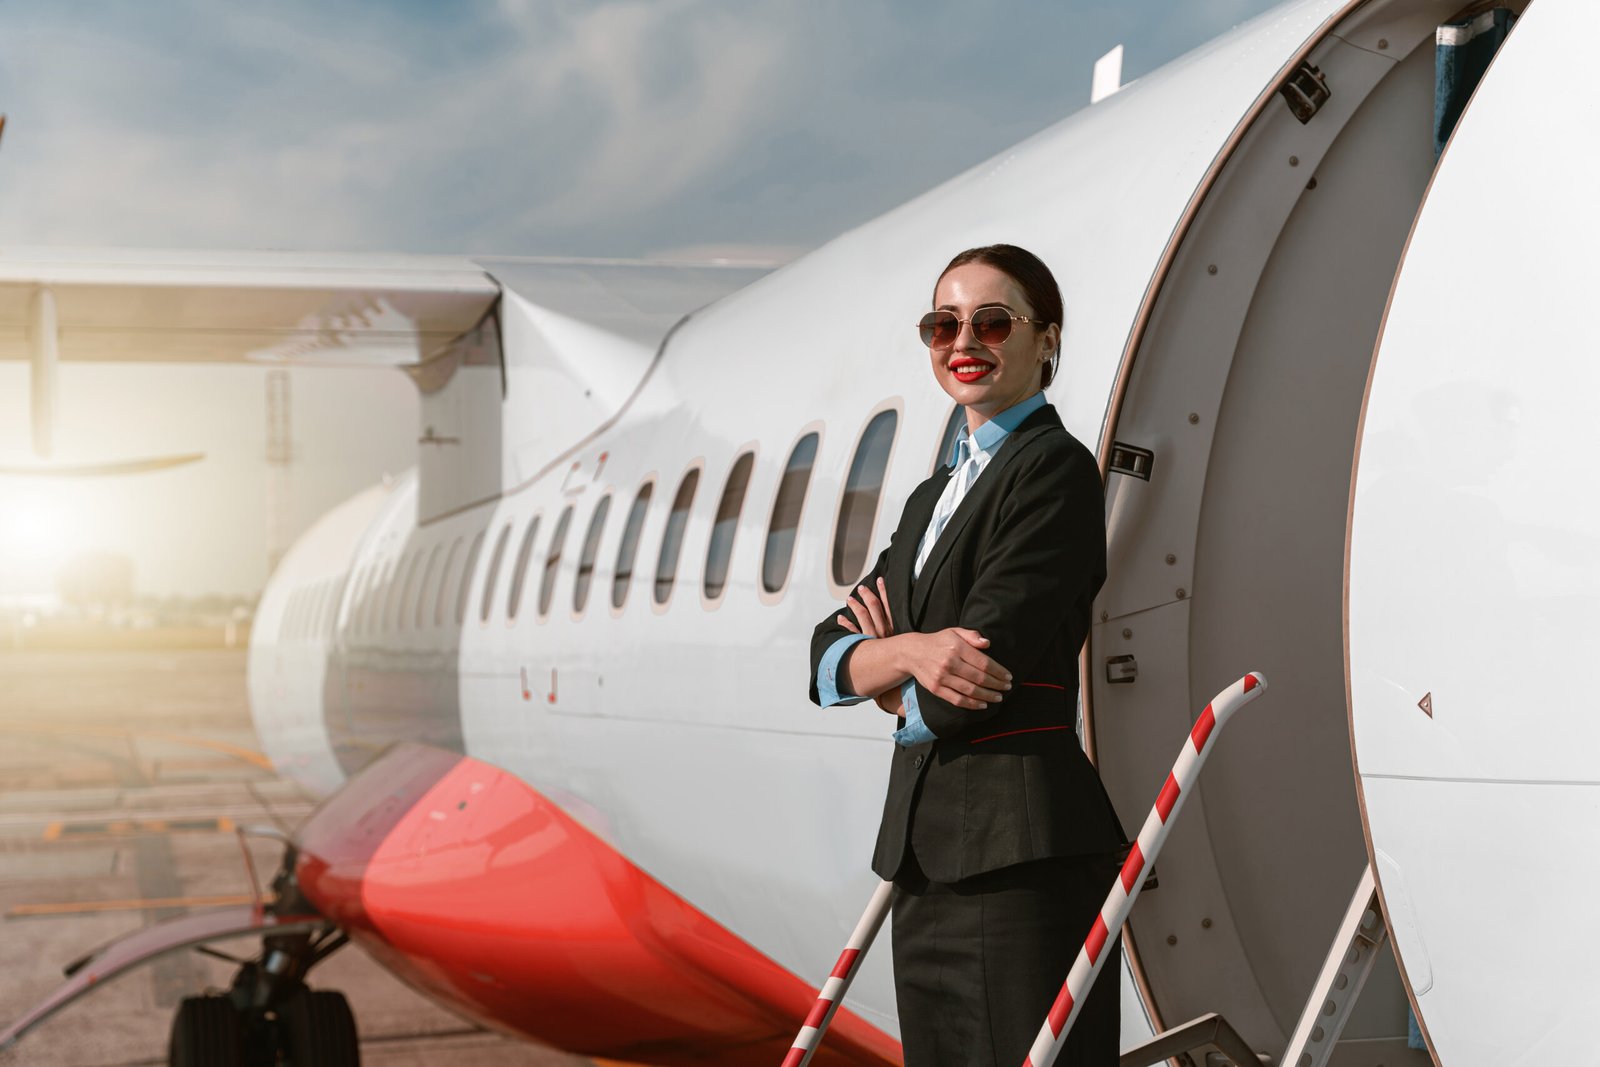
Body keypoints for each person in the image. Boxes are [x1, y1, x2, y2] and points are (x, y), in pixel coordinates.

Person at [808, 244, 1125, 1065]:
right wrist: (913, 651)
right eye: (943, 324)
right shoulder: (930, 498)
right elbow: (825, 657)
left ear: (1046, 339)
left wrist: (889, 671)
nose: (964, 342)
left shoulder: (1053, 472)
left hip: (1019, 859)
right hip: (923, 863)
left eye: (992, 322)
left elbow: (962, 687)